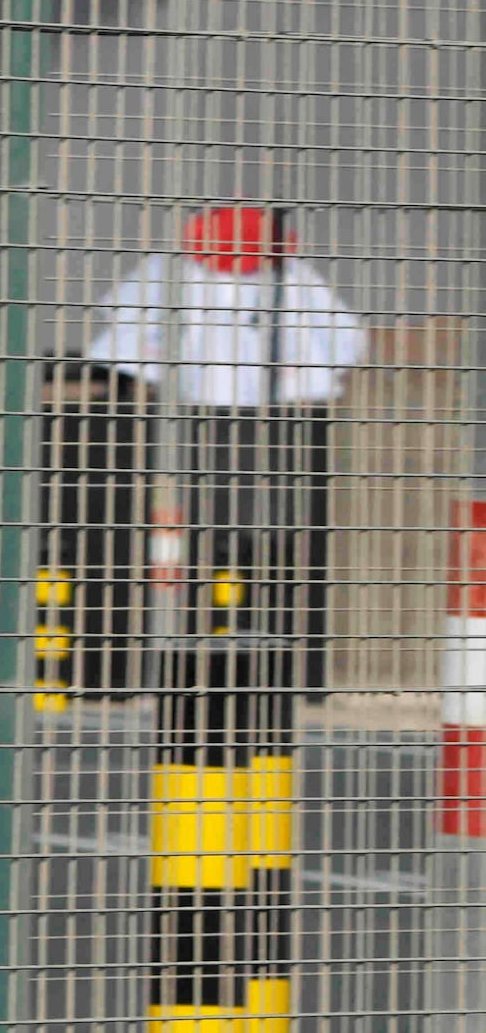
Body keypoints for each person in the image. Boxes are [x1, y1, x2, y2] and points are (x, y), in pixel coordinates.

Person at [65, 207, 364, 698]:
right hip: (227, 432)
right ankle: (169, 675)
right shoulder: (200, 276)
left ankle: (261, 677)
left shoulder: (283, 281)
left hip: (234, 431)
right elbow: (344, 348)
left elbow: (119, 340)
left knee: (262, 556)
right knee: (216, 557)